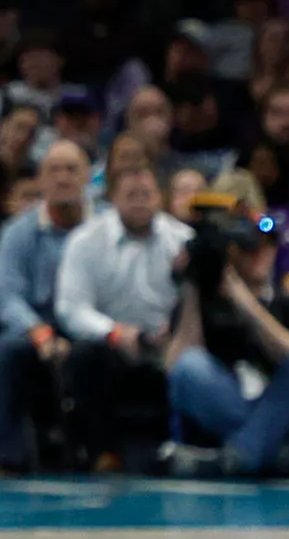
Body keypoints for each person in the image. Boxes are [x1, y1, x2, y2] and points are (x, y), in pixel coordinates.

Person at [162, 208, 289, 477]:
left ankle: (238, 456)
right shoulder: (205, 304)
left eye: (269, 245)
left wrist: (246, 302)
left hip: (284, 404)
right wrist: (192, 285)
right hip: (229, 402)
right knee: (189, 365)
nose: (261, 252)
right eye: (248, 247)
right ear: (231, 254)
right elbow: (174, 368)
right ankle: (270, 453)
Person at [52, 164, 193, 464]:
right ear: (113, 198)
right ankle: (104, 452)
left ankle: (187, 447)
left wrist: (178, 332)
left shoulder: (183, 239)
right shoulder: (85, 240)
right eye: (131, 194)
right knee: (85, 355)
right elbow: (71, 307)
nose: (140, 201)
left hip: (169, 345)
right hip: (113, 347)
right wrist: (114, 332)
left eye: (147, 194)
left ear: (160, 197)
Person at [0, 139, 95, 471]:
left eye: (72, 169)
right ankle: (5, 458)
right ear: (40, 181)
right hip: (39, 326)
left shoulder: (104, 226)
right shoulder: (17, 232)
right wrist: (40, 333)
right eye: (54, 170)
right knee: (6, 349)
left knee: (96, 352)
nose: (63, 178)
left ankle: (103, 453)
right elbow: (6, 296)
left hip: (92, 325)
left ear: (88, 176)